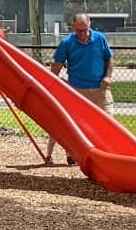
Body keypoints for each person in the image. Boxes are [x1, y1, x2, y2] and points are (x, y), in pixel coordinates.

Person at [45, 13, 115, 164]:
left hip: (100, 90)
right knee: (73, 125)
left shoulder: (100, 38)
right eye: (79, 31)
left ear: (90, 25)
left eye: (85, 30)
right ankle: (72, 153)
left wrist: (108, 76)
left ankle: (110, 155)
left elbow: (109, 59)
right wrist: (52, 84)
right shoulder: (67, 42)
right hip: (77, 91)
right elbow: (56, 66)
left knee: (109, 122)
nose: (82, 34)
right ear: (73, 28)